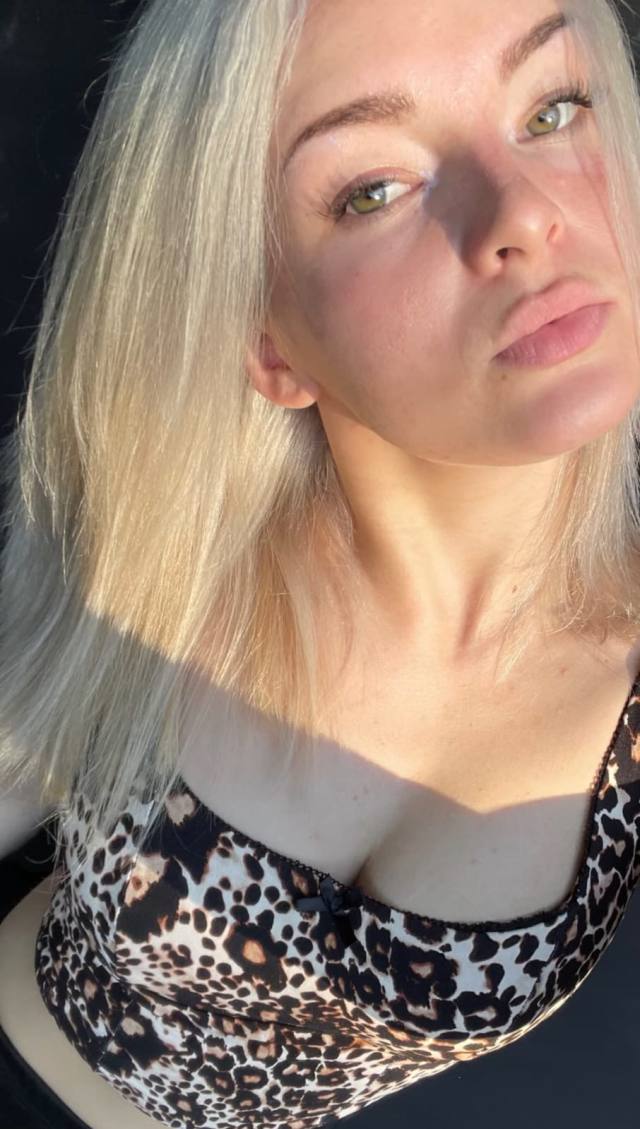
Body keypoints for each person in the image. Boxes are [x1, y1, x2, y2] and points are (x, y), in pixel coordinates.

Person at [1, 0, 640, 1126]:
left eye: (552, 108)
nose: (524, 215)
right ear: (266, 339)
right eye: (372, 189)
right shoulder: (170, 545)